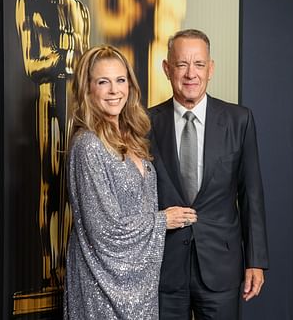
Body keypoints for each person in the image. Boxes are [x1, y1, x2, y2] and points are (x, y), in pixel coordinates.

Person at [64, 45, 197, 320]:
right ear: (88, 89)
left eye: (120, 80)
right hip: (101, 286)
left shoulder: (132, 136)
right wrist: (162, 221)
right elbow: (102, 230)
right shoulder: (88, 145)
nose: (114, 90)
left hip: (140, 288)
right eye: (103, 82)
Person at [148, 29, 269, 319]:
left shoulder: (239, 120)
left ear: (211, 69)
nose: (191, 74)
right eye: (181, 65)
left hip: (221, 266)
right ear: (167, 69)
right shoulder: (144, 124)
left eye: (199, 64)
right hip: (163, 269)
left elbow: (251, 195)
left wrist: (256, 261)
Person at [15, 0, 90, 290]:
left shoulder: (79, 6)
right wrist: (72, 58)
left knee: (77, 190)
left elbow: (88, 67)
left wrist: (63, 59)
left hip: (79, 106)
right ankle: (50, 268)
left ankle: (70, 267)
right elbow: (34, 64)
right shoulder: (29, 1)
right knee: (50, 185)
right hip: (48, 102)